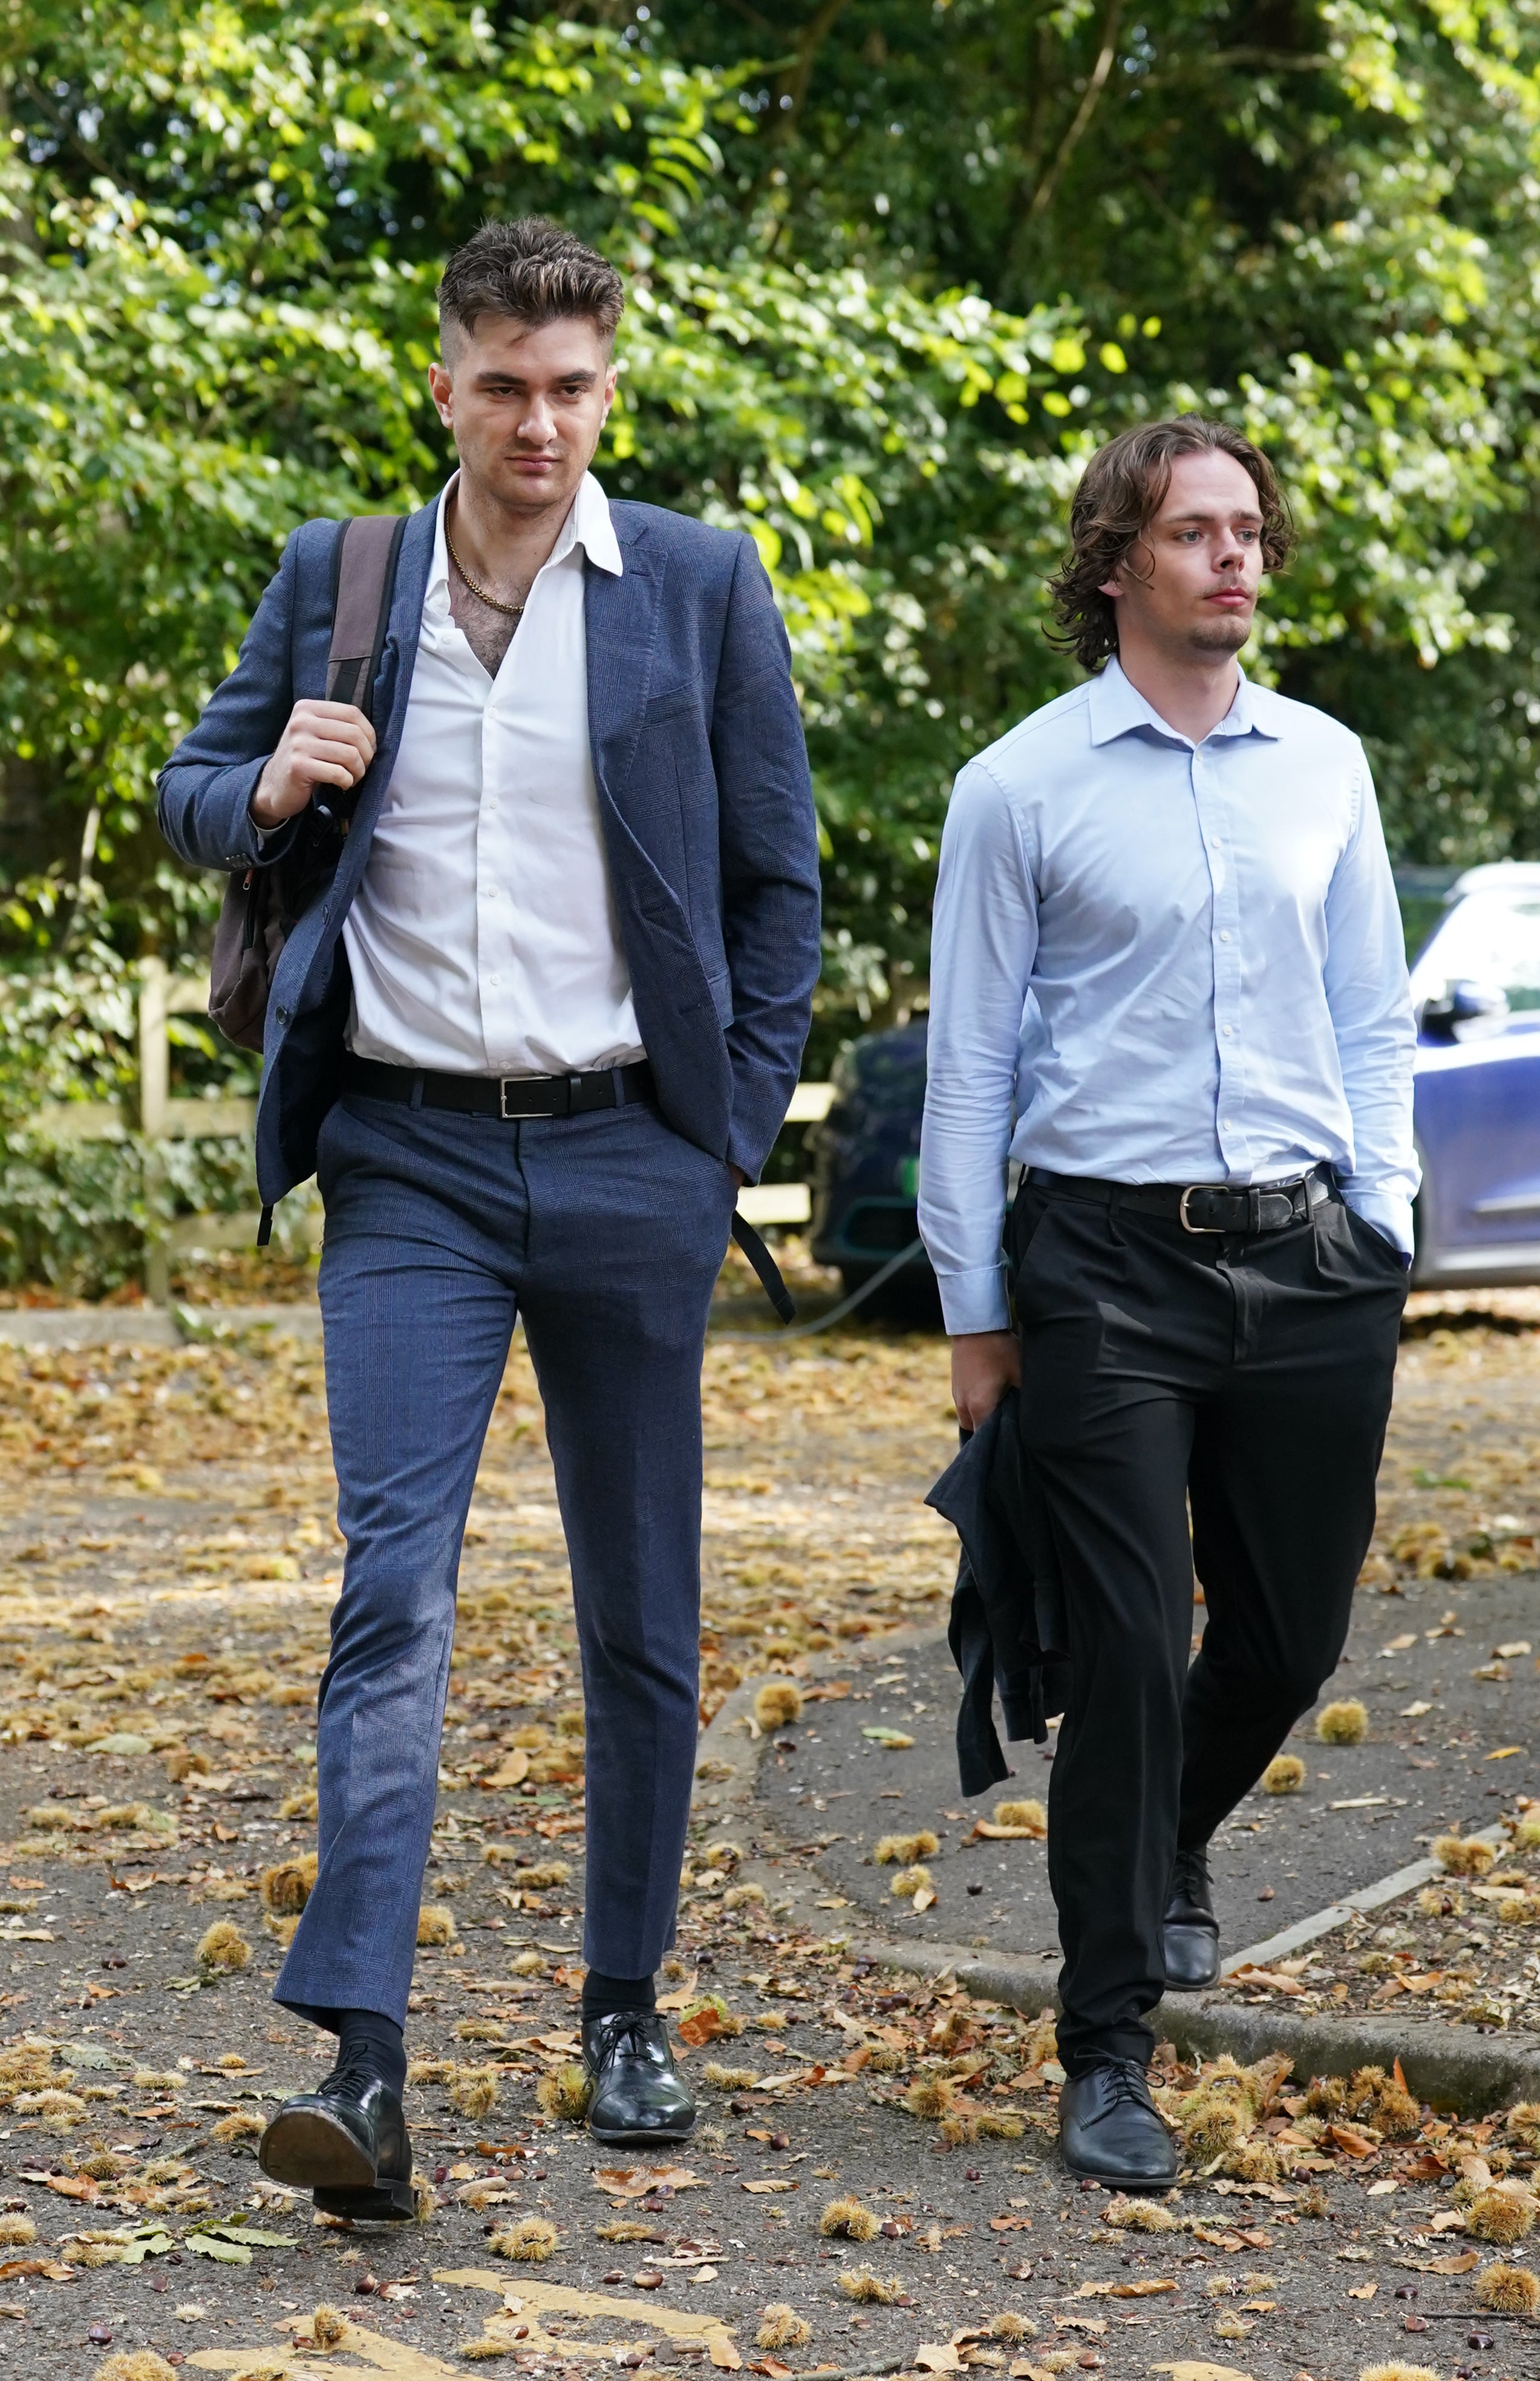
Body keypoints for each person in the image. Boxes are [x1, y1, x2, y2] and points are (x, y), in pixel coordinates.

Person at [158, 217, 820, 2219]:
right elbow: (197, 786)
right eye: (506, 386)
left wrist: (719, 1134)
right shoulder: (341, 579)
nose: (541, 423)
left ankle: (623, 2007)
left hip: (631, 1156)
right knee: (395, 1593)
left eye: (576, 389)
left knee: (643, 1612)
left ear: (610, 392)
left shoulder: (695, 586)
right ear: (442, 383)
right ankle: (362, 2066)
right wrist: (272, 778)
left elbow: (778, 880)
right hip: (413, 1164)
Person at [917, 415, 1416, 2189]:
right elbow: (968, 1073)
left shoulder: (1327, 769)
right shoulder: (1019, 787)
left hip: (1310, 1262)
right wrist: (979, 1323)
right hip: (1103, 1271)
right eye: (1197, 531)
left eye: (1251, 531)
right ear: (1117, 559)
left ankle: (1171, 1843)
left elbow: (1370, 1014)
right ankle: (1108, 2044)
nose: (1236, 559)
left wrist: (1388, 1220)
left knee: (1290, 1644)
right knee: (1126, 1649)